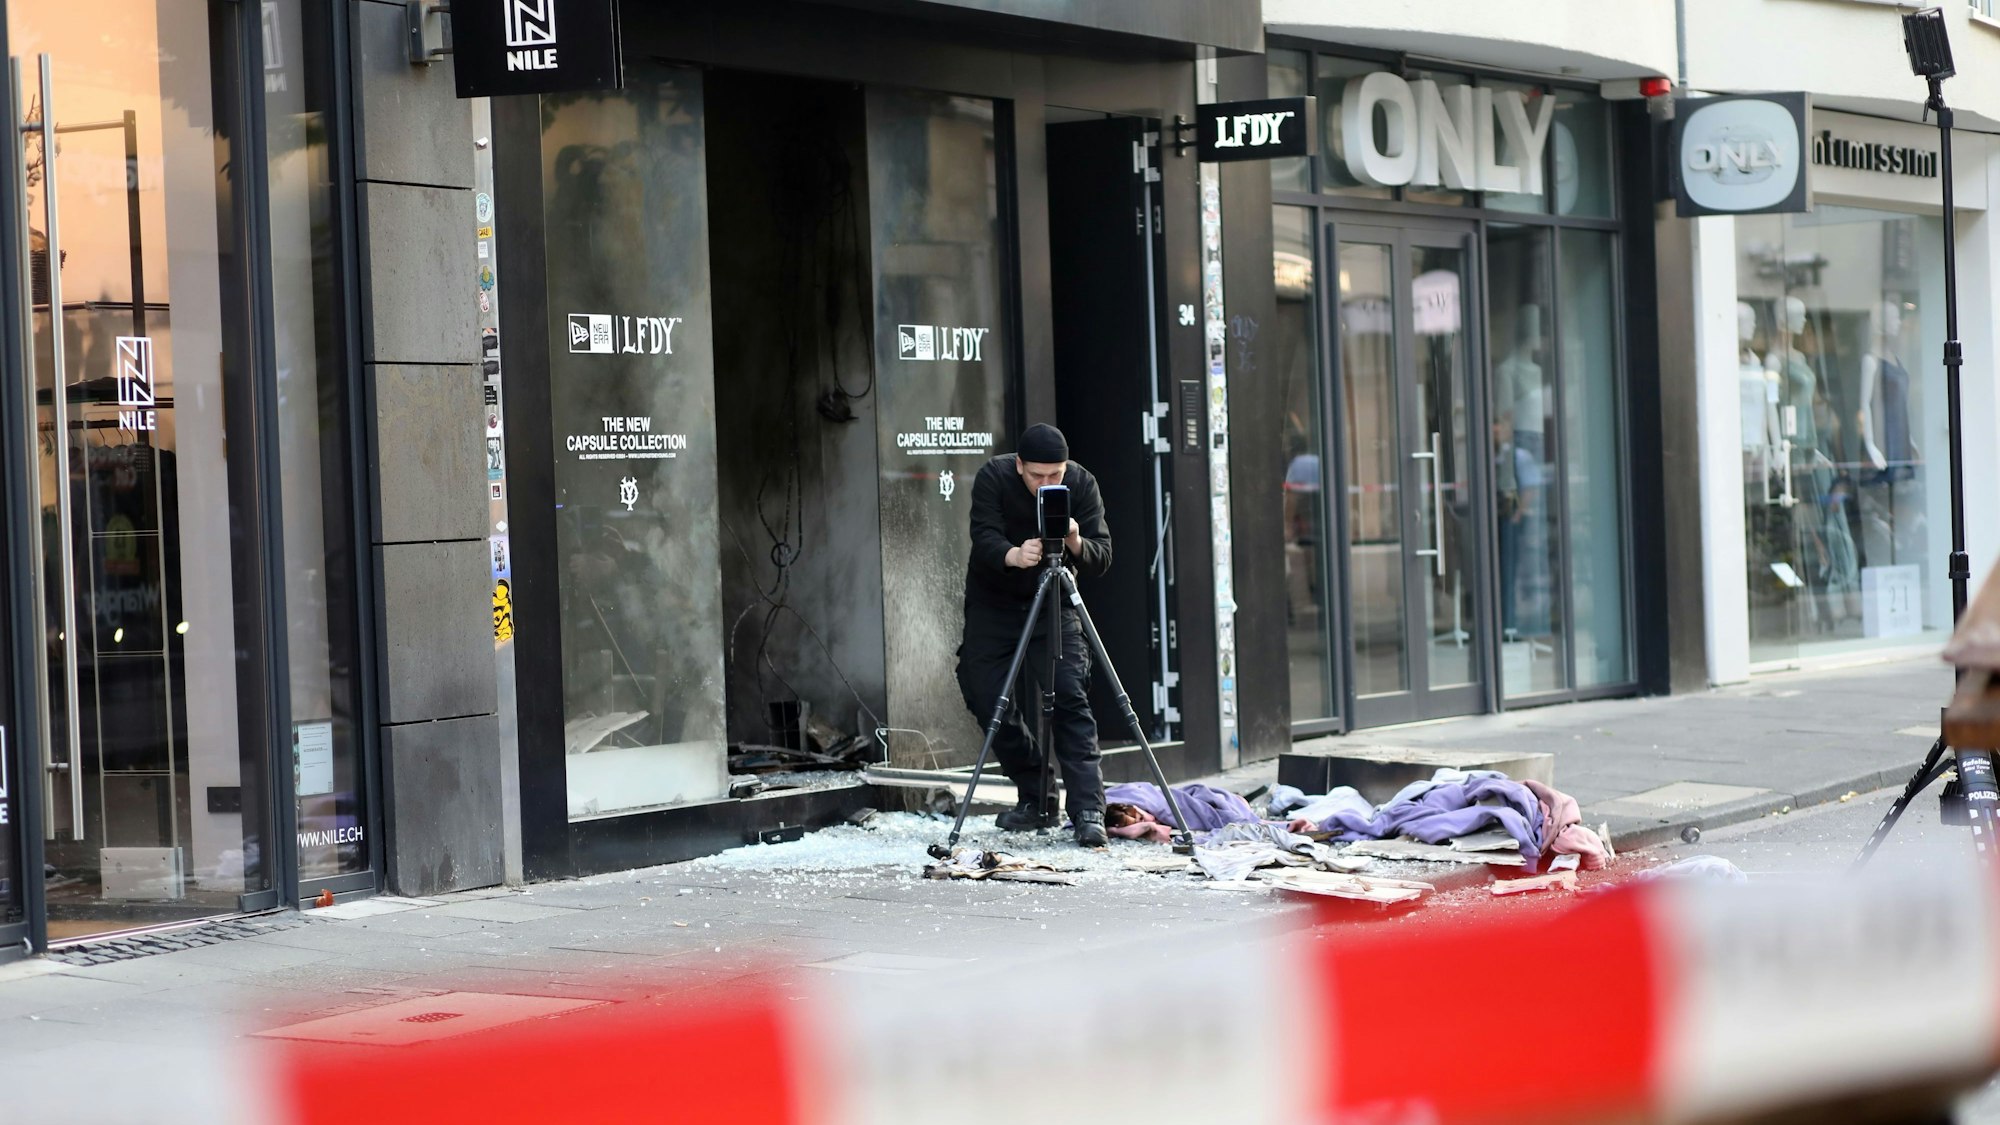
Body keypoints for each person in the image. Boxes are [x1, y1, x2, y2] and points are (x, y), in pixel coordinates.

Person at [956, 423, 1113, 846]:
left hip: (1054, 601)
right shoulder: (995, 476)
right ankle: (1037, 796)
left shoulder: (1080, 483)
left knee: (1068, 694)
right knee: (984, 692)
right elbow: (983, 536)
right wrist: (1014, 554)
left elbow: (1102, 556)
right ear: (1019, 465)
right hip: (995, 601)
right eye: (1037, 476)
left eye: (1056, 475)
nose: (1047, 484)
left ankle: (1087, 811)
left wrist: (1077, 541)